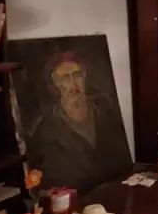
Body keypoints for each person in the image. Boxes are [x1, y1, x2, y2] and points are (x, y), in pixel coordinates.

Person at [27, 50, 132, 192]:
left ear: (84, 76)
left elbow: (120, 160)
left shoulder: (105, 109)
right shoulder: (47, 129)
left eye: (76, 75)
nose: (73, 83)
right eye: (65, 78)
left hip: (116, 190)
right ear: (56, 82)